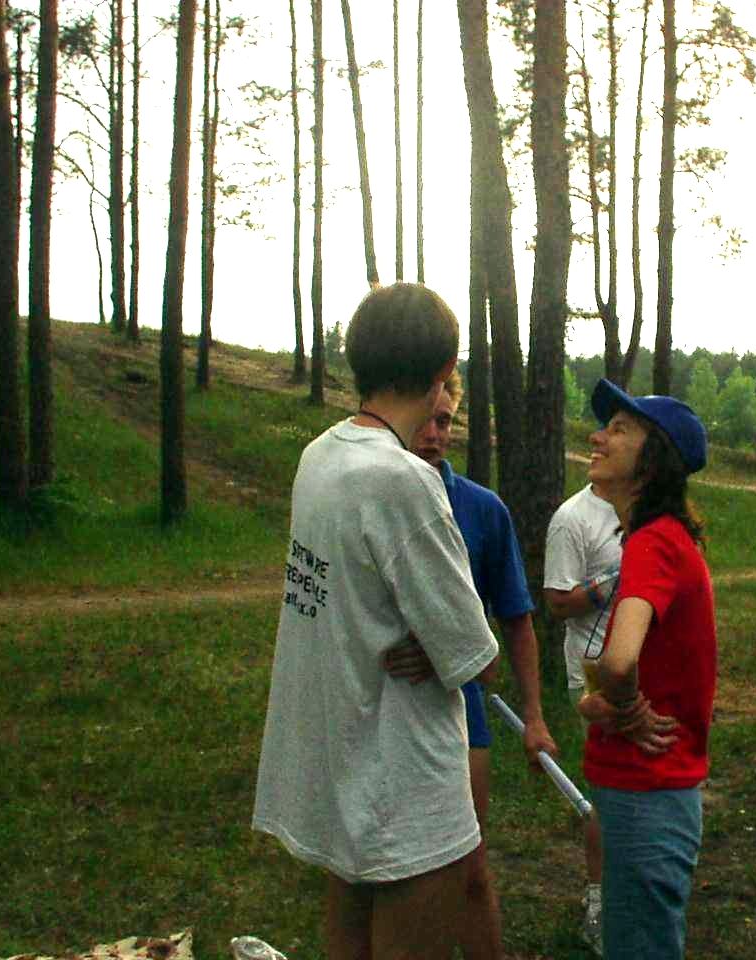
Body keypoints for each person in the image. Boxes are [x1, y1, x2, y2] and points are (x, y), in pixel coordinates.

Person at [252, 283, 501, 960]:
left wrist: (429, 636)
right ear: (443, 371)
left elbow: (355, 597)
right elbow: (477, 660)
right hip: (406, 786)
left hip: (346, 764)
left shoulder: (320, 457)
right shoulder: (405, 481)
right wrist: (445, 641)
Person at [382, 369, 557, 960]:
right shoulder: (371, 498)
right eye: (424, 420)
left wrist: (535, 717)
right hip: (380, 709)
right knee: (391, 875)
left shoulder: (482, 510)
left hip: (463, 715)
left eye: (445, 421)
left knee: (468, 871)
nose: (433, 434)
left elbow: (516, 621)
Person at [574, 378, 715, 960]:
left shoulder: (654, 543)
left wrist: (626, 705)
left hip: (646, 791)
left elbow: (619, 659)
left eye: (618, 429)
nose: (598, 437)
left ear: (653, 462)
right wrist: (605, 703)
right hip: (648, 792)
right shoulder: (661, 538)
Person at [543, 476, 621, 953]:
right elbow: (557, 602)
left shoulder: (646, 508)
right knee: (607, 788)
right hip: (591, 669)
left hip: (643, 664)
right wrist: (612, 582)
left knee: (639, 784)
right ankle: (599, 901)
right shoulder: (573, 518)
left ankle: (634, 890)